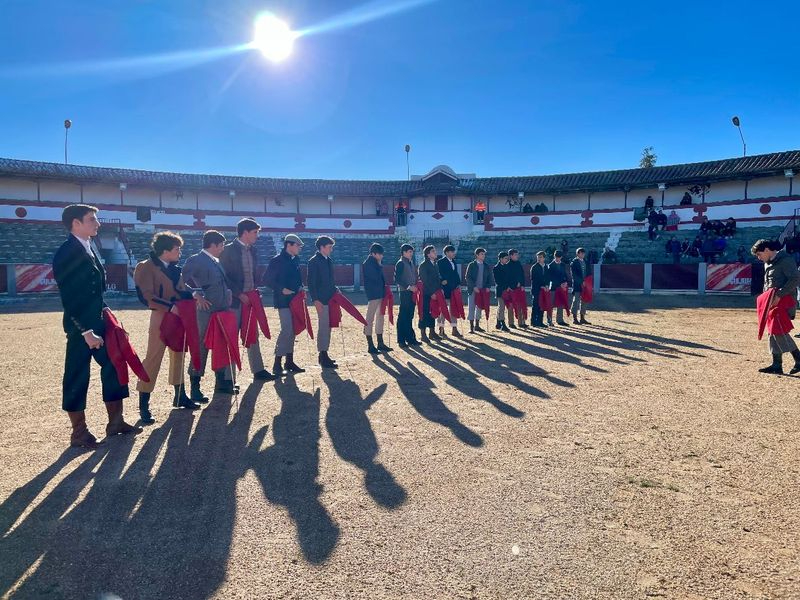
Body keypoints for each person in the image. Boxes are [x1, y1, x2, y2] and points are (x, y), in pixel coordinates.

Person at [53, 204, 141, 449]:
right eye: (92, 219)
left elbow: (94, 292)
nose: (98, 223)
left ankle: (116, 422)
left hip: (98, 321)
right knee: (77, 374)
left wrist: (106, 313)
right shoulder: (66, 253)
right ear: (76, 223)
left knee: (114, 364)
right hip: (81, 328)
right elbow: (69, 297)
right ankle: (79, 433)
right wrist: (85, 330)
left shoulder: (87, 246)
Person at [134, 231, 201, 425]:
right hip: (161, 315)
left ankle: (180, 396)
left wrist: (193, 294)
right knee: (154, 357)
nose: (180, 252)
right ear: (165, 251)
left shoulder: (173, 268)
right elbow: (146, 296)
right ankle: (144, 405)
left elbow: (181, 289)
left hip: (178, 316)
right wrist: (170, 307)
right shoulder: (145, 267)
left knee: (179, 354)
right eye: (177, 249)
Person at [219, 218, 274, 382]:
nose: (257, 235)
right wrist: (238, 294)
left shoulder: (253, 250)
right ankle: (229, 378)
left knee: (252, 333)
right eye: (255, 232)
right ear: (245, 233)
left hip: (250, 298)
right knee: (232, 336)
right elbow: (224, 276)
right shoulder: (228, 251)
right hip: (234, 301)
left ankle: (258, 370)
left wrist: (254, 291)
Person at [182, 230, 236, 394]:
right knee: (201, 346)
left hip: (221, 308)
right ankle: (195, 387)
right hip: (205, 310)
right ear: (213, 245)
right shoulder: (196, 260)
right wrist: (195, 295)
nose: (223, 248)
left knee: (221, 345)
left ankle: (220, 383)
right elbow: (179, 281)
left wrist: (228, 293)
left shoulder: (215, 260)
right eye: (221, 245)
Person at [751, 239, 800, 374]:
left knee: (778, 330)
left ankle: (798, 358)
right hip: (772, 302)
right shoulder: (768, 263)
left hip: (784, 301)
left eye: (759, 254)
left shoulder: (785, 260)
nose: (759, 257)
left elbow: (795, 279)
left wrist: (779, 295)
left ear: (767, 250)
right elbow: (767, 284)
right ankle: (777, 364)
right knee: (772, 331)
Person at [264, 234, 306, 376]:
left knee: (292, 330)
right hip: (283, 300)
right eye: (298, 245)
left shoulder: (295, 260)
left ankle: (289, 361)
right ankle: (277, 363)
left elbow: (297, 279)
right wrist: (281, 289)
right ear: (289, 245)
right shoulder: (276, 260)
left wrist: (300, 287)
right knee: (287, 329)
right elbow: (267, 280)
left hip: (295, 300)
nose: (299, 248)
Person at [307, 235, 339, 369]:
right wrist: (315, 300)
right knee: (324, 327)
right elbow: (311, 283)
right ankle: (322, 354)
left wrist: (335, 290)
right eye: (329, 247)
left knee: (328, 326)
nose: (331, 249)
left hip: (330, 299)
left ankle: (324, 354)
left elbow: (330, 280)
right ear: (322, 247)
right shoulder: (314, 261)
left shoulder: (328, 260)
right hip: (321, 300)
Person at [362, 243, 392, 354]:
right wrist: (379, 265)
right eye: (380, 254)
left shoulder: (376, 263)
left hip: (380, 293)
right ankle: (370, 345)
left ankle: (380, 343)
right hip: (373, 294)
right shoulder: (368, 263)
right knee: (369, 318)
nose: (381, 256)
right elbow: (375, 277)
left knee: (380, 317)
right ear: (373, 254)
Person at [394, 243, 420, 347]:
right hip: (405, 292)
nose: (411, 253)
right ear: (404, 252)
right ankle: (401, 340)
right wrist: (409, 287)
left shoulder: (411, 262)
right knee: (403, 315)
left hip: (412, 292)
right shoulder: (400, 263)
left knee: (409, 315)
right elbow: (397, 279)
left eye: (412, 252)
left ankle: (410, 338)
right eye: (409, 252)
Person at [465, 247, 494, 333]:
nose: (483, 255)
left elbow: (490, 278)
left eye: (484, 254)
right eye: (482, 254)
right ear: (477, 255)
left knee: (479, 308)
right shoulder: (471, 265)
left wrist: (488, 287)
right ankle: (471, 327)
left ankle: (477, 325)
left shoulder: (486, 266)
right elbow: (468, 277)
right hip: (473, 290)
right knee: (471, 307)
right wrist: (474, 287)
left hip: (482, 290)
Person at [418, 245, 442, 343]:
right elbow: (425, 281)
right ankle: (423, 334)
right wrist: (431, 292)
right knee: (424, 312)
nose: (435, 253)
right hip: (426, 293)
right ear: (428, 254)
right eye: (433, 251)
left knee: (433, 311)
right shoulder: (423, 265)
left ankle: (432, 332)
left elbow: (437, 279)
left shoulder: (435, 264)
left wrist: (439, 289)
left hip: (435, 292)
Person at [437, 244, 462, 338]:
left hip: (453, 289)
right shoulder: (440, 262)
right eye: (452, 252)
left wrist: (458, 284)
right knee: (443, 310)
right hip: (445, 289)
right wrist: (441, 280)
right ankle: (441, 329)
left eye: (454, 251)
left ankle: (454, 329)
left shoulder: (454, 262)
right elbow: (438, 274)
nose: (454, 253)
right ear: (447, 253)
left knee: (454, 309)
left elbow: (455, 274)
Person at [548, 250, 571, 326]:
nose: (557, 258)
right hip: (553, 287)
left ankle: (560, 320)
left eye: (559, 257)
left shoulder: (563, 265)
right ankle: (549, 320)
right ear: (554, 256)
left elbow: (565, 275)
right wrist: (560, 284)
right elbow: (551, 278)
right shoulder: (550, 265)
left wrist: (566, 282)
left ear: (561, 257)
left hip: (561, 287)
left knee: (560, 304)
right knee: (551, 304)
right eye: (556, 257)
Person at [570, 248, 591, 325]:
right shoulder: (574, 263)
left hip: (585, 284)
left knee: (584, 300)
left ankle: (582, 318)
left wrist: (587, 281)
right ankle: (575, 318)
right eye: (581, 253)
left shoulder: (586, 262)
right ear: (577, 254)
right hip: (577, 285)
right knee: (576, 301)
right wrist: (581, 282)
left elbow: (589, 272)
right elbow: (574, 275)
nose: (583, 254)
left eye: (583, 253)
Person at [507, 249, 527, 328]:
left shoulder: (518, 263)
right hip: (511, 288)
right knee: (511, 306)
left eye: (517, 254)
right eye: (515, 255)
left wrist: (522, 285)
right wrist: (514, 284)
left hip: (519, 288)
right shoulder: (507, 265)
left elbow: (522, 275)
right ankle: (511, 323)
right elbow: (508, 278)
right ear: (511, 256)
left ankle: (521, 322)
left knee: (520, 305)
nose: (517, 256)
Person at [493, 251, 512, 332]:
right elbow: (498, 281)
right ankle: (502, 324)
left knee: (501, 307)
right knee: (502, 307)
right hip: (501, 290)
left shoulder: (507, 267)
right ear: (500, 259)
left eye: (507, 258)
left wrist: (509, 287)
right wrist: (506, 287)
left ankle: (498, 322)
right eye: (505, 258)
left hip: (507, 290)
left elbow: (509, 278)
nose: (507, 260)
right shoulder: (496, 268)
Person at [530, 251, 549, 328]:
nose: (538, 259)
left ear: (544, 258)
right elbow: (534, 279)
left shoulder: (546, 266)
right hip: (536, 289)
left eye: (540, 257)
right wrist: (541, 286)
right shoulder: (534, 267)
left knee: (542, 305)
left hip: (544, 289)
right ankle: (534, 321)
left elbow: (548, 277)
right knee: (536, 305)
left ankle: (540, 321)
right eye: (538, 257)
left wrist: (547, 285)